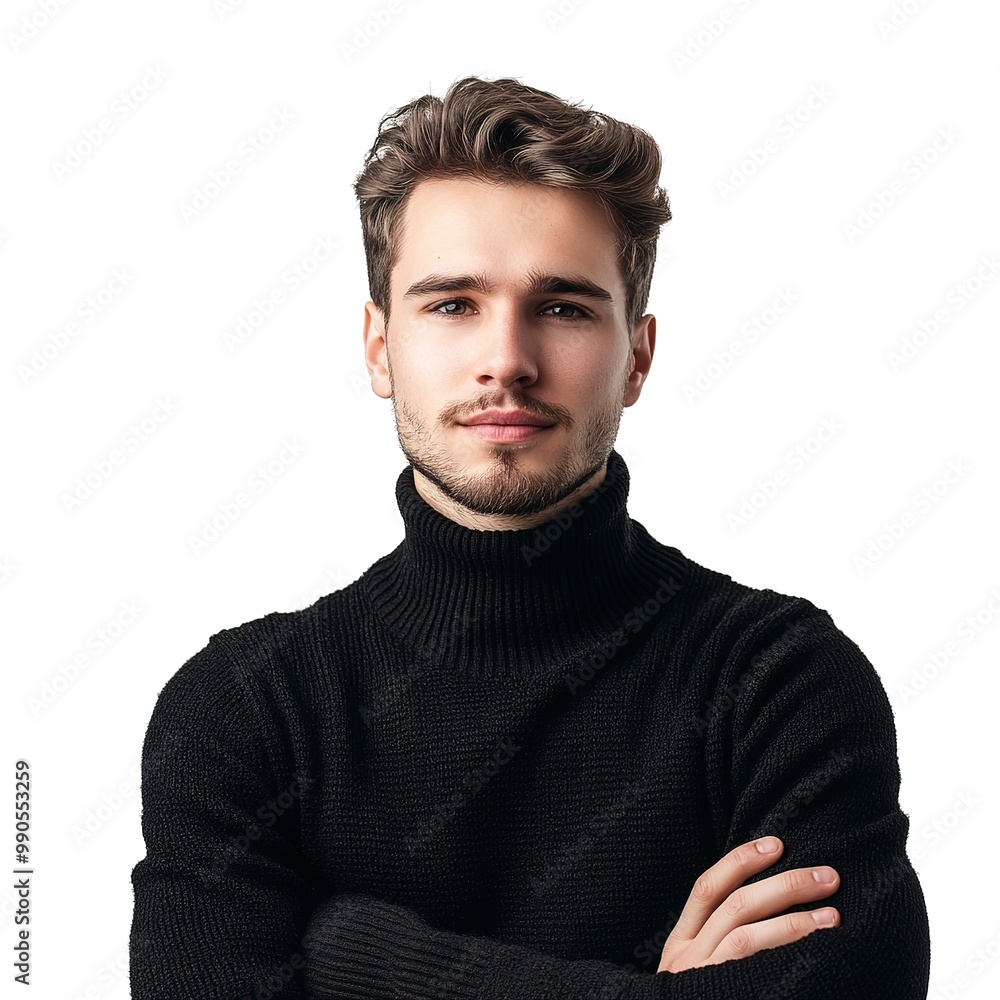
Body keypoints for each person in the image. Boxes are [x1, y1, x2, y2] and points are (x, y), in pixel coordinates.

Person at [129, 75, 931, 999]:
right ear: (379, 346)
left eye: (563, 307)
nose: (506, 359)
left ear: (637, 354)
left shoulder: (777, 682)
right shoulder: (243, 710)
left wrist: (361, 958)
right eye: (451, 304)